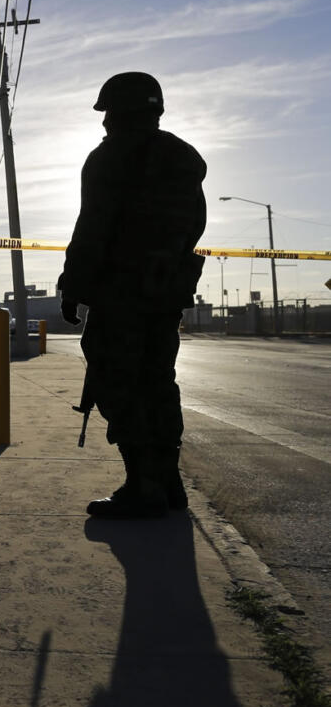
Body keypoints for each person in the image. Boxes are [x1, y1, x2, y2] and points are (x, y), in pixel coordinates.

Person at [58, 71, 207, 518]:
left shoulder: (109, 159)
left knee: (118, 382)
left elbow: (93, 228)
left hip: (120, 294)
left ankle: (144, 487)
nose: (104, 125)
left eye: (109, 115)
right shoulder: (183, 159)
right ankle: (167, 483)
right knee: (159, 382)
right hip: (164, 295)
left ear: (121, 114)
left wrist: (73, 286)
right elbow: (193, 227)